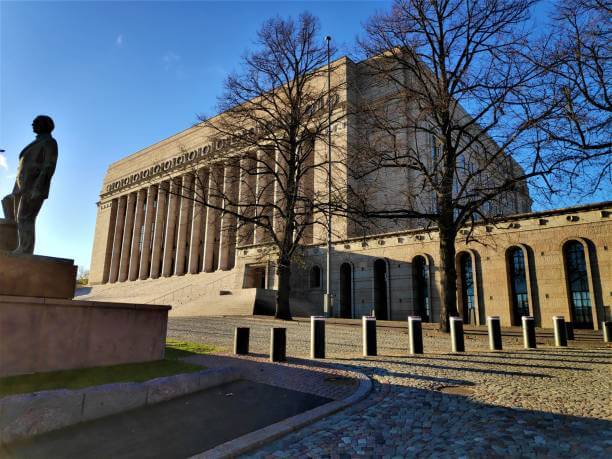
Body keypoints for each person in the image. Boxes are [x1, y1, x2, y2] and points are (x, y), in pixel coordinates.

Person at [1, 115, 58, 254]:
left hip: (33, 187)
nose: (32, 124)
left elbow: (49, 166)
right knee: (7, 204)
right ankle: (14, 243)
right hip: (21, 187)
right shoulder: (37, 142)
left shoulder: (49, 142)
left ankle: (25, 249)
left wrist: (38, 187)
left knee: (25, 217)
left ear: (45, 125)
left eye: (36, 122)